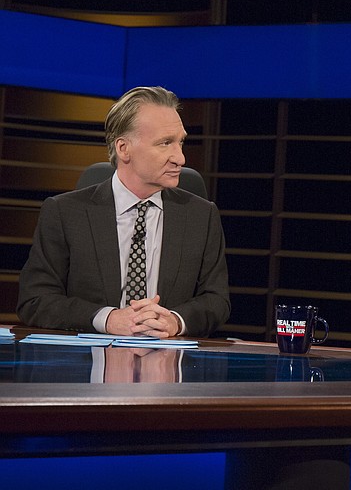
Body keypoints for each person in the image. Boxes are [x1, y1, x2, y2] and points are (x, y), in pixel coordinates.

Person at [17, 86, 230, 338]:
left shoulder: (201, 216)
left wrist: (175, 320)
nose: (180, 158)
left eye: (180, 142)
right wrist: (106, 319)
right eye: (165, 143)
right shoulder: (64, 213)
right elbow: (35, 300)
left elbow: (217, 301)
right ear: (123, 148)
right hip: (87, 369)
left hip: (169, 365)